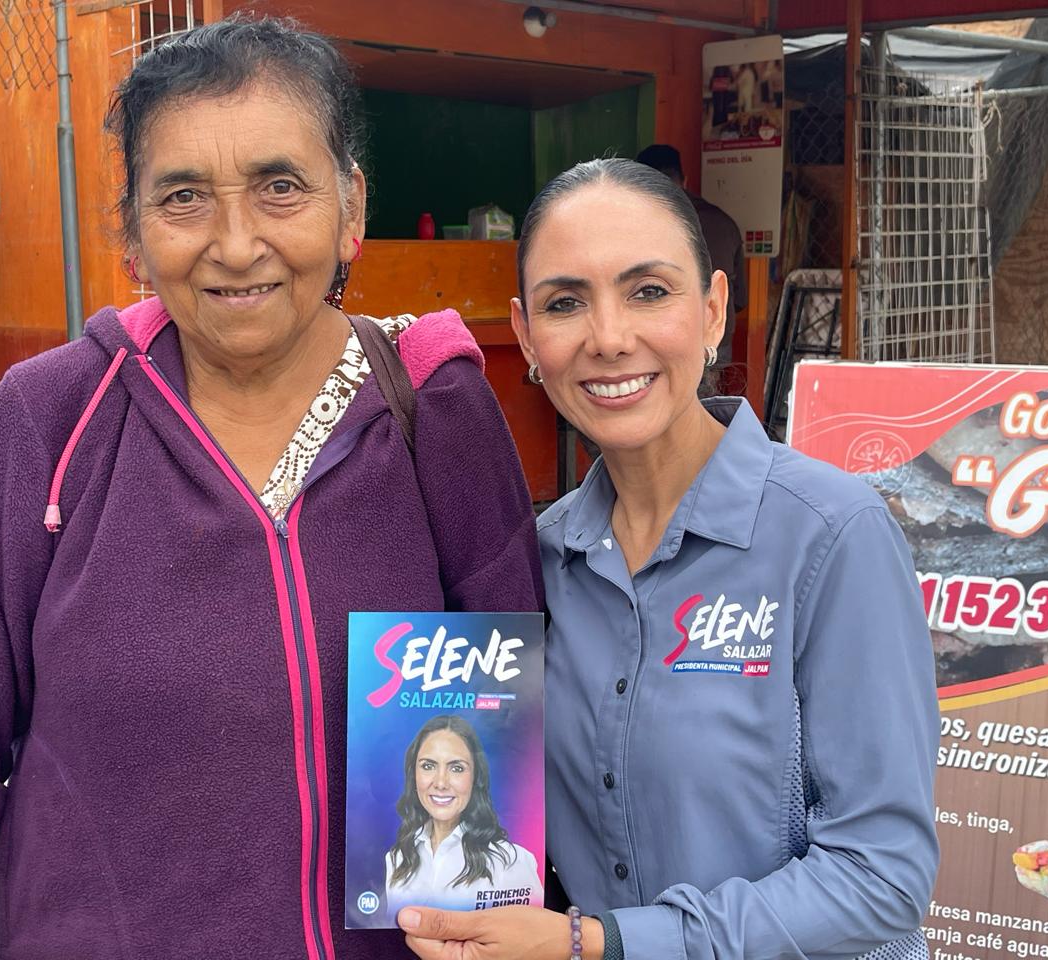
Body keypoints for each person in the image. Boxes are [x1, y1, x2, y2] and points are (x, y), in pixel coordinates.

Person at [0, 16, 541, 960]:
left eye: (280, 187)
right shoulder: (52, 420)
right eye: (183, 197)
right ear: (134, 234)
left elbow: (510, 738)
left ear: (351, 207)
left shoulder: (435, 412)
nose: (236, 242)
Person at [398, 159, 939, 960]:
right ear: (527, 337)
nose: (610, 338)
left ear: (713, 309)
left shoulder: (830, 536)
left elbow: (883, 876)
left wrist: (601, 943)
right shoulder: (539, 564)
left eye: (649, 291)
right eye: (565, 303)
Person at [385, 716, 543, 917]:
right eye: (428, 766)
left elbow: (532, 932)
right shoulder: (397, 858)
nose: (440, 783)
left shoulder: (511, 861)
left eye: (457, 768)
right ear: (413, 774)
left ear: (475, 777)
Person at [636, 144, 746, 385]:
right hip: (715, 343)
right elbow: (739, 300)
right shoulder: (722, 222)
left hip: (656, 347)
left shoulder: (635, 223)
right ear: (684, 179)